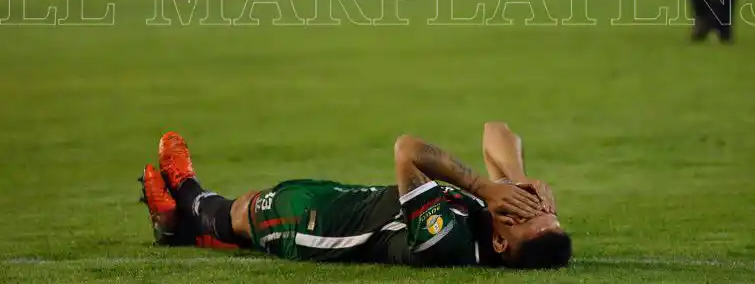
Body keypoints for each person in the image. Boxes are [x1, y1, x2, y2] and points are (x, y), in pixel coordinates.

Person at [139, 123, 572, 269]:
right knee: (246, 221)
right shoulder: (505, 215)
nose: (526, 205)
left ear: (500, 243)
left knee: (245, 212)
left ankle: (188, 195)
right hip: (352, 201)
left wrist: (482, 186)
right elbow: (495, 128)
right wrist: (519, 178)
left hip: (323, 227)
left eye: (527, 212)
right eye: (541, 207)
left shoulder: (449, 241)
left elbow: (407, 152)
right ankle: (175, 226)